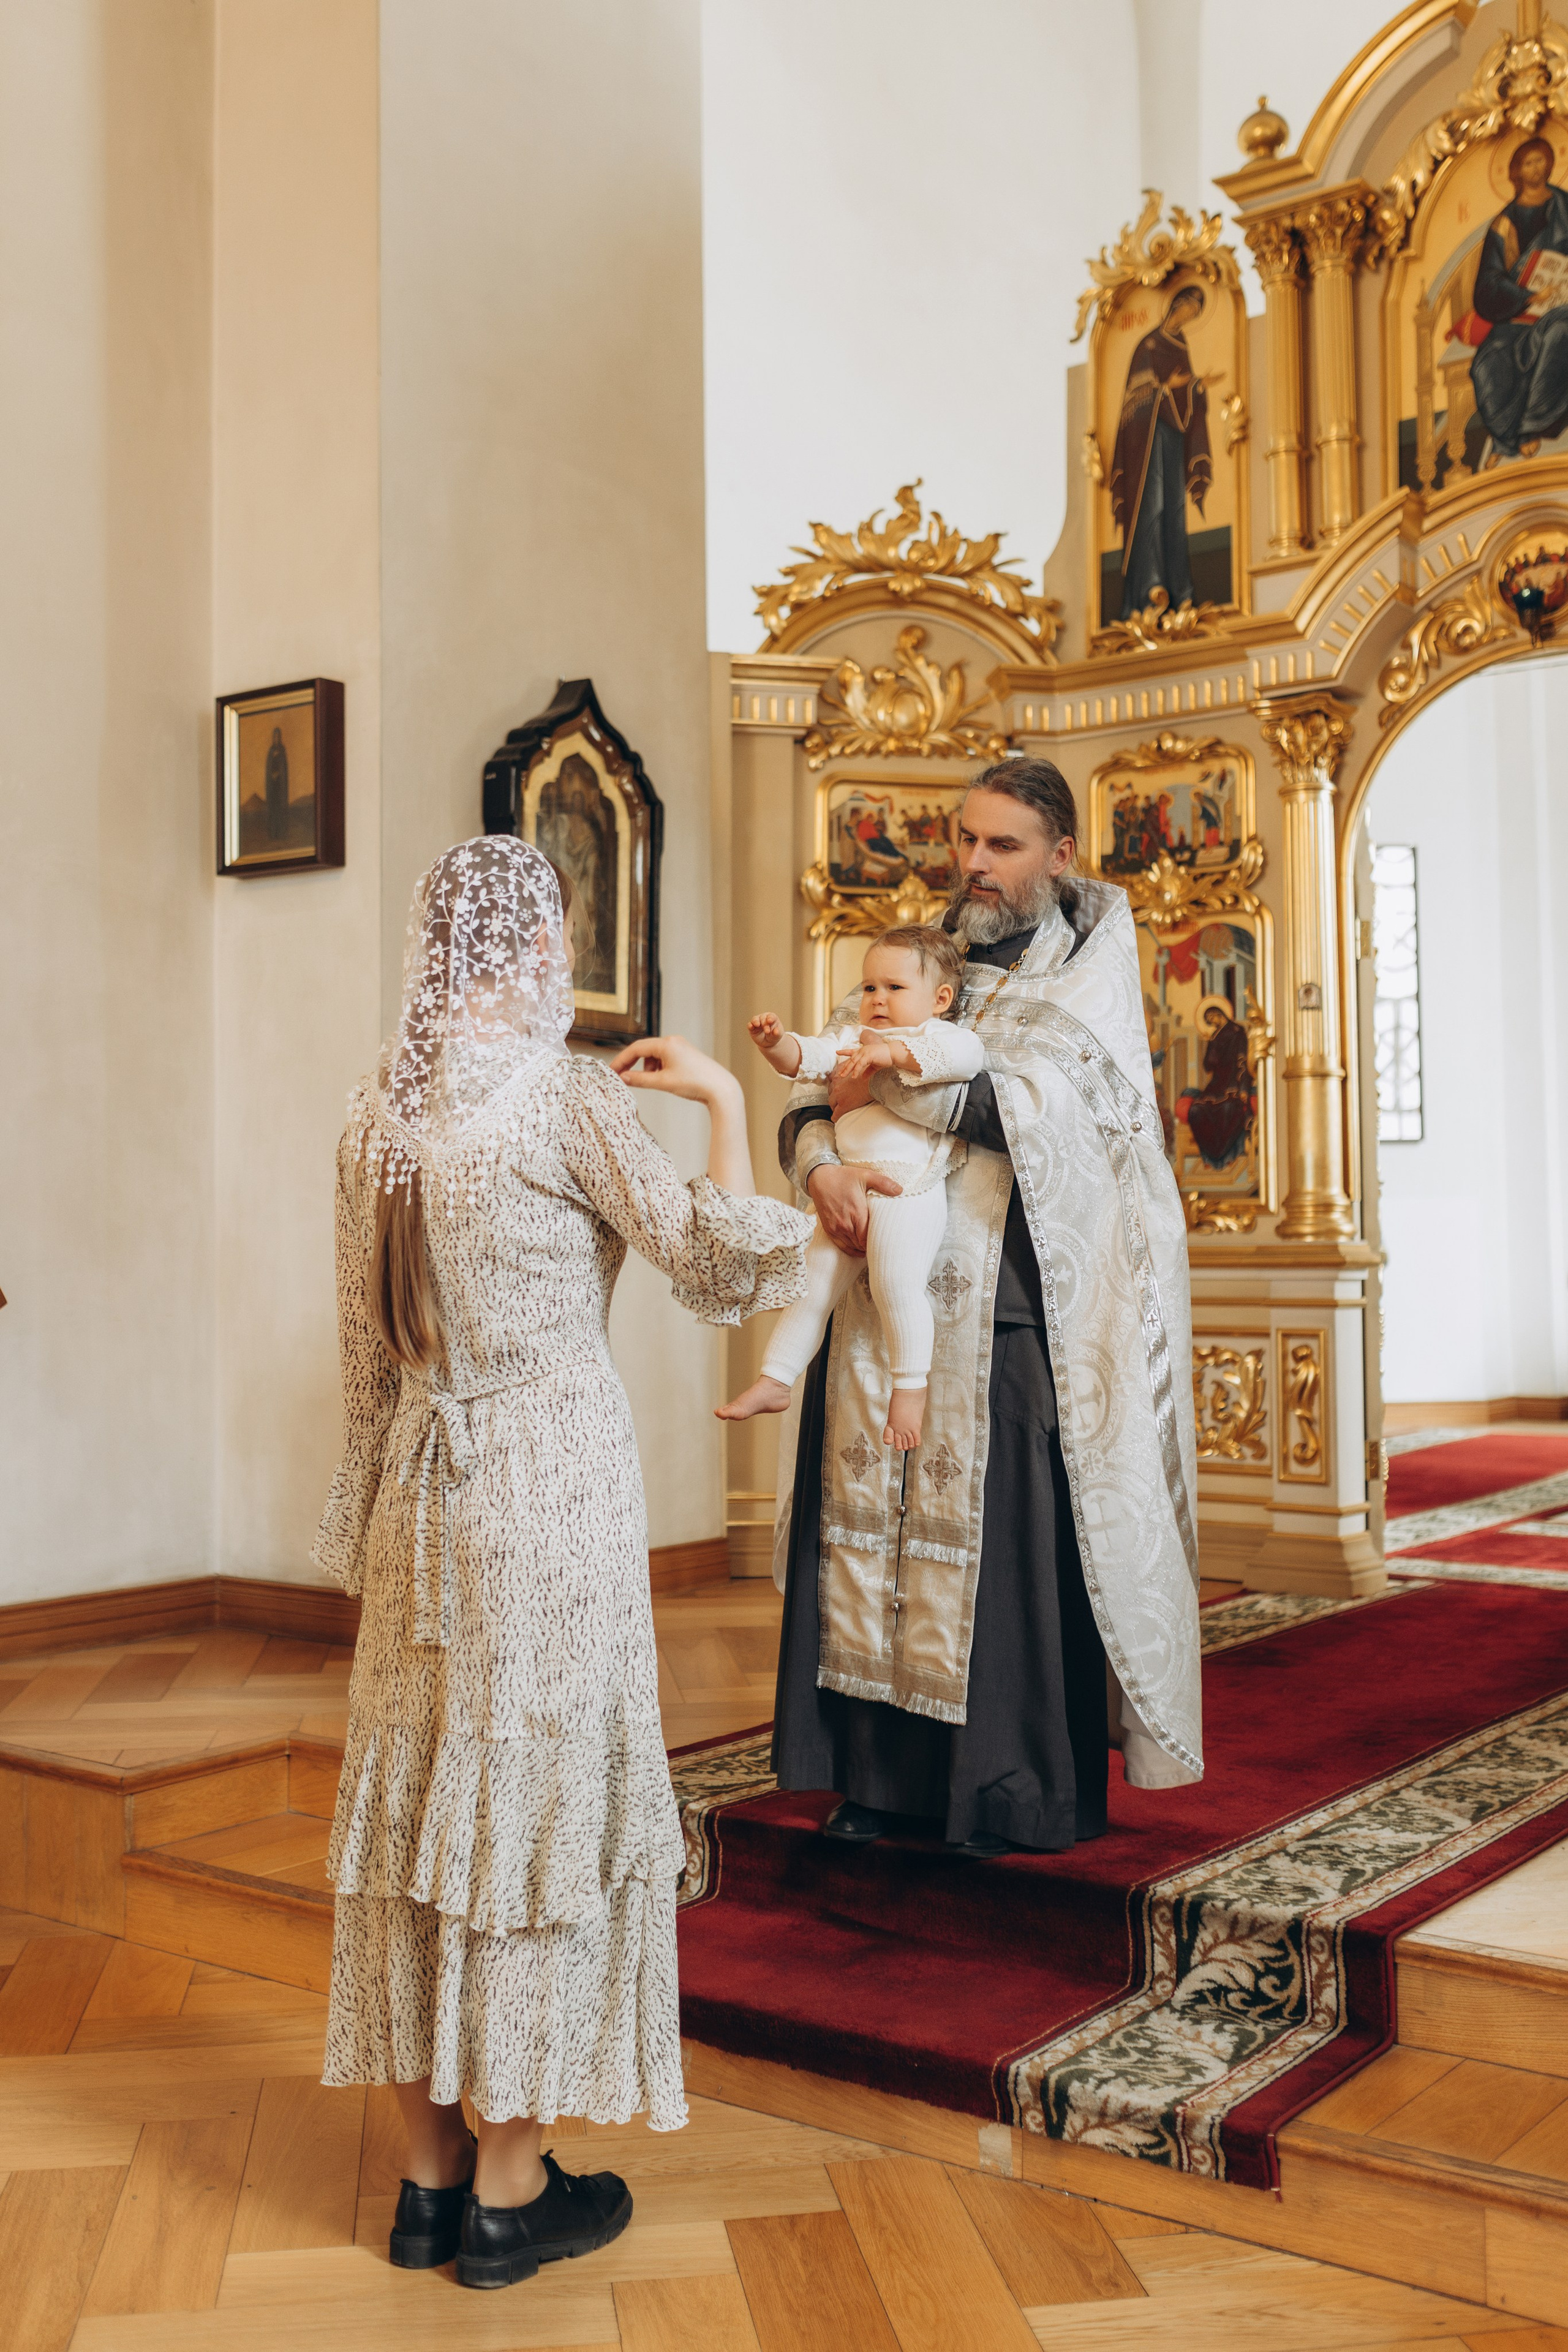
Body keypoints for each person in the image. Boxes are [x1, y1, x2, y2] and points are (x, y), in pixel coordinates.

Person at [312, 835, 808, 2291]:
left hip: (421, 1488)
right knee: (525, 1811)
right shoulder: (567, 1100)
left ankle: (424, 2182)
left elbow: (363, 1353)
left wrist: (363, 1517)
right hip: (545, 1492)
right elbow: (721, 1267)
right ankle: (515, 2188)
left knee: (415, 1814)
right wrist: (723, 1098)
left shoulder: (374, 1115)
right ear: (535, 946)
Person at [771, 756, 1202, 1862]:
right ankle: (874, 1781)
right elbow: (817, 1095)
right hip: (880, 1306)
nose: (973, 862)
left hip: (1008, 1312)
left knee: (1002, 1555)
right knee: (869, 1531)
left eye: (1003, 845)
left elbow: (1065, 1131)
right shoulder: (917, 963)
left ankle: (1004, 1793)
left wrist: (895, 1084)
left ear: (1060, 855)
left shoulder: (1088, 978)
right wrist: (818, 1160)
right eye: (966, 838)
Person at [718, 925, 983, 1451]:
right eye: (868, 988)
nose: (877, 999)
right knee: (810, 1286)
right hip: (850, 1189)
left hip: (907, 1189)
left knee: (896, 1286)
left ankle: (910, 1389)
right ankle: (776, 1380)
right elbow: (808, 1060)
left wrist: (890, 1055)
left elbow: (966, 1060)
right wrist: (777, 1044)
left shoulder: (938, 1035)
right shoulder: (851, 1041)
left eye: (894, 988)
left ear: (941, 998)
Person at [1109, 284, 1213, 619]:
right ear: (1177, 305)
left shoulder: (1181, 346)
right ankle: (1150, 585)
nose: (1191, 317)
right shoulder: (1149, 344)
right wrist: (1167, 389)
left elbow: (1184, 389)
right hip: (1147, 442)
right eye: (1190, 310)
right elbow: (1133, 399)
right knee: (1151, 506)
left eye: (1197, 315)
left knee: (1175, 509)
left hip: (1173, 438)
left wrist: (1197, 388)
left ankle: (1181, 590)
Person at [1469, 136, 1568, 462]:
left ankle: (1531, 426)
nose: (1537, 168)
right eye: (1528, 163)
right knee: (1487, 361)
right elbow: (1488, 285)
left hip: (1563, 306)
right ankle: (1506, 439)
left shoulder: (1565, 207)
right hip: (1521, 313)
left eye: (1541, 160)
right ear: (1516, 172)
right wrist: (1527, 296)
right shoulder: (1505, 223)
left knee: (1558, 335)